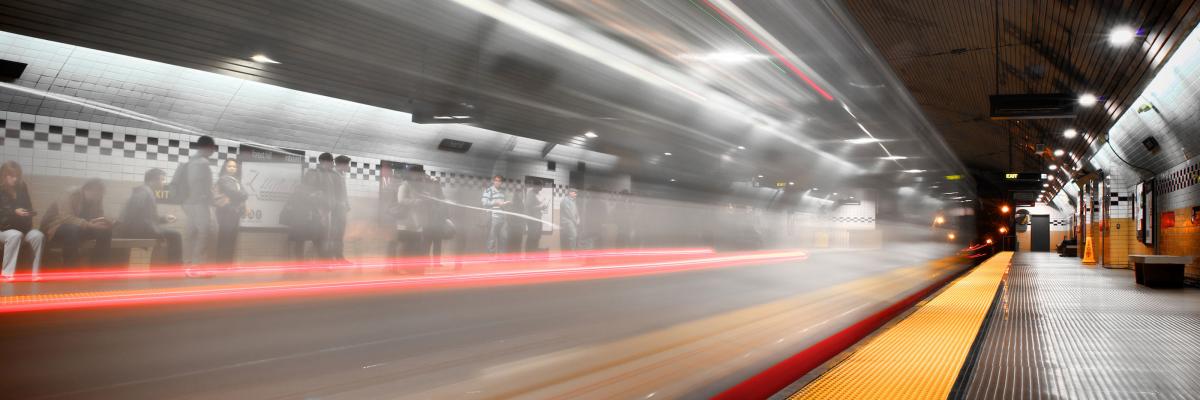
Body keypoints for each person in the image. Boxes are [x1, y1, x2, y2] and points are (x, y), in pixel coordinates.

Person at [116, 168, 183, 266]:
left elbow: (146, 217)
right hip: (138, 231)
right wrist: (155, 231)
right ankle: (175, 267)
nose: (163, 183)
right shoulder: (143, 192)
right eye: (162, 180)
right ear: (152, 181)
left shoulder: (146, 192)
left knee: (172, 234)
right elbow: (131, 214)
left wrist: (164, 219)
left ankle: (172, 266)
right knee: (176, 235)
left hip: (139, 229)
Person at [41, 179, 112, 267]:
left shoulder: (97, 199)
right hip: (55, 227)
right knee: (72, 229)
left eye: (100, 195)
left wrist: (103, 222)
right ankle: (70, 267)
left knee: (105, 231)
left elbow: (99, 215)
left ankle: (99, 267)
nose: (98, 198)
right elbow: (65, 218)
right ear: (86, 190)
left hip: (81, 227)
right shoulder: (70, 195)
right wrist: (89, 224)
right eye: (96, 194)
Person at [0, 161, 44, 280]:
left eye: (17, 176)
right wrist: (14, 212)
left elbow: (28, 205)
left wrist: (29, 212)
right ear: (4, 175)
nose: (15, 179)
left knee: (38, 235)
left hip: (23, 227)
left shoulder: (22, 187)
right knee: (15, 235)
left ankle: (34, 273)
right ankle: (7, 273)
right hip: (4, 228)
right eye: (12, 176)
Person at [181, 135, 216, 269]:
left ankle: (187, 263)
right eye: (212, 148)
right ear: (208, 147)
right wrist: (211, 200)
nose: (213, 151)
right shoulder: (203, 162)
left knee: (190, 233)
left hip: (188, 203)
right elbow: (203, 186)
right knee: (204, 233)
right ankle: (196, 266)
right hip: (199, 203)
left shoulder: (190, 162)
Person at [214, 159, 249, 265]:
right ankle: (221, 264)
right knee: (225, 239)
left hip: (234, 213)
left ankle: (227, 264)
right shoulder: (223, 179)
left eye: (234, 166)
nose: (232, 168)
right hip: (225, 213)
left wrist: (240, 196)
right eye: (229, 166)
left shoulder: (236, 181)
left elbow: (243, 194)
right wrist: (241, 195)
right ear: (225, 167)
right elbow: (234, 193)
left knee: (231, 239)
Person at [328, 155, 351, 264]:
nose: (348, 167)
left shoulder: (341, 175)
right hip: (335, 209)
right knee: (333, 233)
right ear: (342, 164)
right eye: (347, 165)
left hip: (342, 209)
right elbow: (331, 193)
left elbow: (343, 192)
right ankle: (330, 257)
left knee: (340, 234)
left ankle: (339, 256)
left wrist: (347, 203)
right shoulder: (332, 175)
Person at [481, 175, 510, 255]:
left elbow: (502, 205)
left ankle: (501, 259)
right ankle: (491, 258)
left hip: (502, 218)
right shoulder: (488, 190)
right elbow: (484, 203)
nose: (498, 182)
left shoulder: (502, 192)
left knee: (503, 238)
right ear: (493, 181)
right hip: (493, 218)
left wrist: (505, 205)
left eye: (500, 181)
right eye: (496, 180)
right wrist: (496, 202)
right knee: (492, 239)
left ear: (501, 182)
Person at [524, 181, 549, 253]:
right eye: (540, 186)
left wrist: (543, 206)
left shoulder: (536, 193)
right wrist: (540, 206)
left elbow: (535, 206)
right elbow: (529, 207)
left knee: (537, 237)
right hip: (532, 220)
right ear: (536, 186)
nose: (541, 188)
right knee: (532, 237)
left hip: (537, 219)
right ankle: (529, 255)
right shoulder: (530, 194)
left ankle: (534, 253)